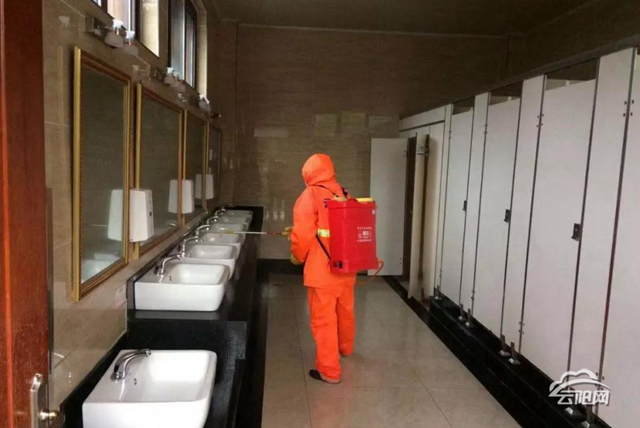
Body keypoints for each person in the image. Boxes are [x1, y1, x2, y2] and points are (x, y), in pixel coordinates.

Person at [289, 154, 357, 384]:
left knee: (324, 320)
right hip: (346, 266)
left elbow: (303, 233)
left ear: (308, 173)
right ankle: (345, 349)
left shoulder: (311, 194)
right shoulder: (344, 193)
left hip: (323, 271)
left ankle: (329, 371)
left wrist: (297, 255)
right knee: (345, 311)